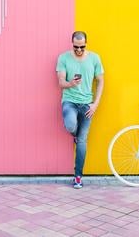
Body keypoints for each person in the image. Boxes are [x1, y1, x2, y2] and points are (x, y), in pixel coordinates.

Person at [56, 31, 104, 189]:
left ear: (86, 44)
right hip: (69, 101)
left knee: (82, 141)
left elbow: (101, 82)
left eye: (82, 47)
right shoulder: (63, 58)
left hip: (86, 104)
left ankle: (78, 176)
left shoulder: (94, 58)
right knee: (71, 126)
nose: (79, 50)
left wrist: (95, 104)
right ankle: (74, 135)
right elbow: (61, 82)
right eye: (76, 47)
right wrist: (70, 84)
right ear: (72, 43)